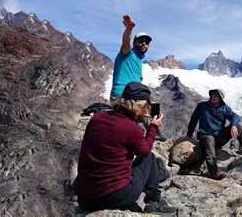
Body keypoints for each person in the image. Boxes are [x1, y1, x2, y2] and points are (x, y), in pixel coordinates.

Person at [75, 82, 176, 213]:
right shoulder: (131, 128)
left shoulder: (98, 117)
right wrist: (153, 127)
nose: (147, 110)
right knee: (149, 158)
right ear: (139, 106)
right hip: (114, 197)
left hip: (85, 199)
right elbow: (144, 151)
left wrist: (135, 117)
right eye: (145, 106)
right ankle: (154, 201)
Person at [178, 89, 242, 180]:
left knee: (237, 126)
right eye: (212, 95)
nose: (213, 97)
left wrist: (233, 125)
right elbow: (193, 120)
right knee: (209, 139)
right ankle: (213, 169)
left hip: (218, 138)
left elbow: (235, 116)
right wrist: (189, 135)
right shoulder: (202, 106)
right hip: (205, 137)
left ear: (220, 98)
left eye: (216, 96)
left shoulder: (224, 108)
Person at [109, 15, 166, 141]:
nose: (144, 44)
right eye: (140, 41)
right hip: (121, 97)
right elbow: (125, 43)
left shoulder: (138, 62)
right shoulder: (127, 54)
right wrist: (129, 29)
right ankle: (150, 132)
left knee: (151, 105)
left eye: (147, 42)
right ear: (135, 42)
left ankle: (148, 130)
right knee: (145, 107)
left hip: (133, 97)